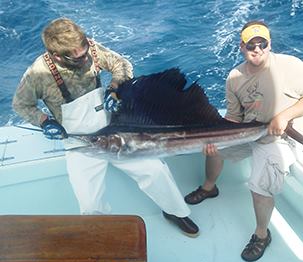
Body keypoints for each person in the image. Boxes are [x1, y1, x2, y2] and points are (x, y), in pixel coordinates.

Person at [12, 17, 199, 237]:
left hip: (113, 131)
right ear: (56, 56)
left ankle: (174, 211)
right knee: (89, 203)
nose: (85, 57)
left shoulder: (89, 48)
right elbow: (21, 104)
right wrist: (44, 121)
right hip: (79, 142)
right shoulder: (37, 74)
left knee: (155, 169)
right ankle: (103, 236)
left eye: (85, 51)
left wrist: (115, 88)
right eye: (78, 57)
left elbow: (121, 64)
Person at [184, 20, 303, 259]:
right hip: (248, 129)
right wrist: (216, 139)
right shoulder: (235, 77)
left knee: (259, 186)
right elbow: (233, 117)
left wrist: (284, 116)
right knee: (215, 149)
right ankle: (209, 187)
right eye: (252, 43)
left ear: (269, 45)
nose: (257, 48)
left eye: (262, 43)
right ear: (242, 46)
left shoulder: (289, 66)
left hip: (279, 137)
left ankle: (262, 235)